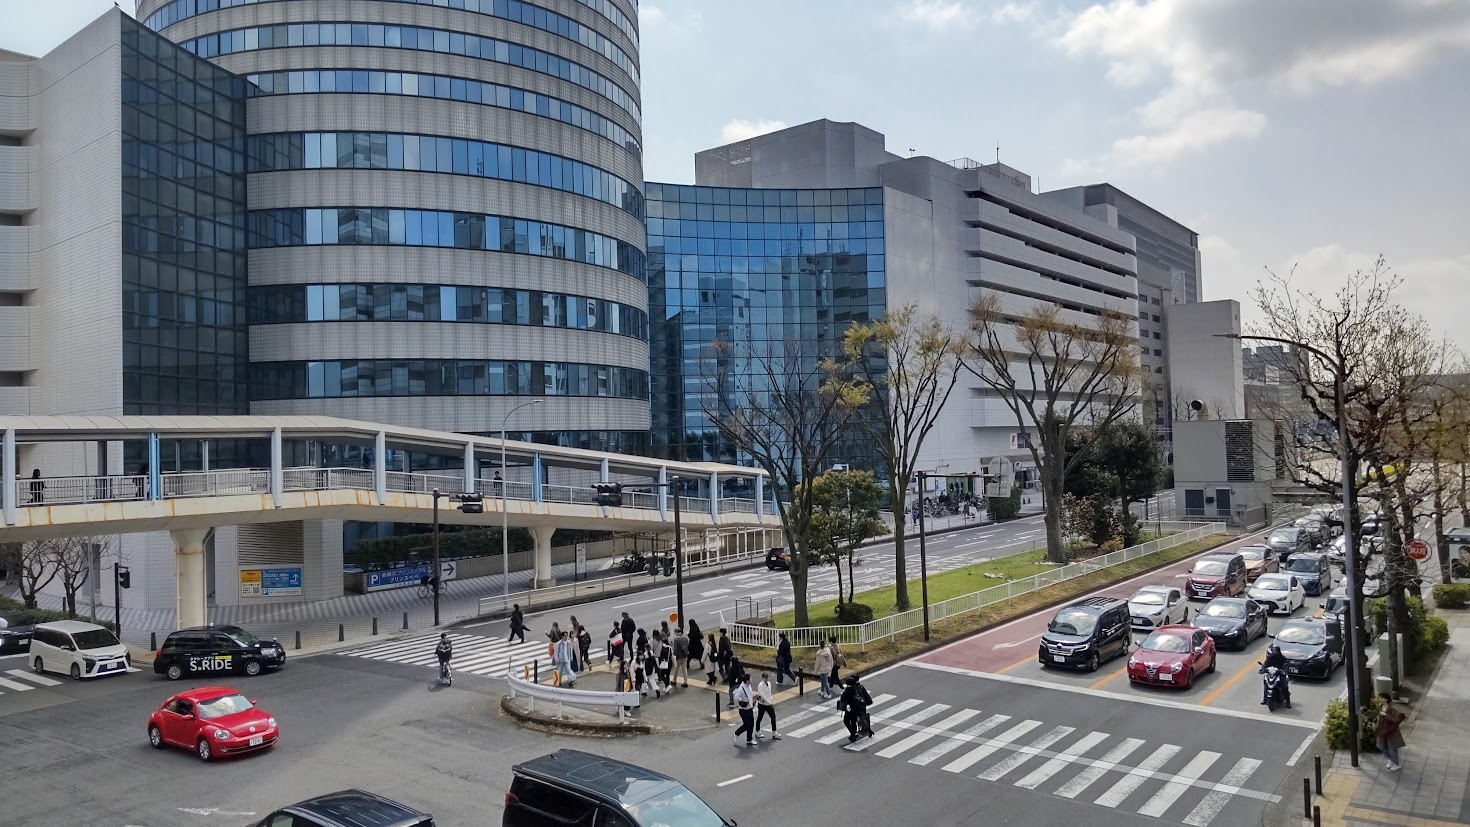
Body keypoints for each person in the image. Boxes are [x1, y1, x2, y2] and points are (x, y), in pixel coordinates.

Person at [1376, 692, 1406, 771]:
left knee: (1392, 748)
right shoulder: (1380, 707)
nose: (1379, 699)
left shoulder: (1392, 709)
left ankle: (1397, 764)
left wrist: (1386, 716)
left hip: (1391, 732)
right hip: (1383, 731)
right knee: (1381, 746)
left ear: (1386, 699)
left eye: (1381, 698)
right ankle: (1391, 759)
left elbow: (1396, 719)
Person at [839, 675, 874, 742]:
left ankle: (853, 733)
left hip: (850, 710)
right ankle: (865, 730)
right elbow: (865, 696)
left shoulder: (846, 691)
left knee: (847, 721)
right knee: (855, 721)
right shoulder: (856, 689)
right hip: (858, 708)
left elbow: (843, 700)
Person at [754, 671, 781, 740]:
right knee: (760, 717)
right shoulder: (760, 685)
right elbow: (762, 695)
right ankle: (757, 731)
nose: (766, 679)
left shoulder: (769, 683)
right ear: (762, 678)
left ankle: (774, 732)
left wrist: (770, 699)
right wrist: (770, 702)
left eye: (766, 678)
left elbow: (769, 693)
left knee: (773, 716)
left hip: (768, 704)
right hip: (762, 704)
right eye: (764, 678)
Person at [732, 673, 756, 747]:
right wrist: (743, 700)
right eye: (750, 679)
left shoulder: (749, 686)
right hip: (743, 710)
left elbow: (750, 694)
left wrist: (754, 697)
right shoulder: (741, 688)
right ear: (747, 680)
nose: (751, 680)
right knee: (747, 725)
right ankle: (737, 733)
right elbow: (736, 697)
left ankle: (749, 739)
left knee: (751, 724)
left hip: (749, 708)